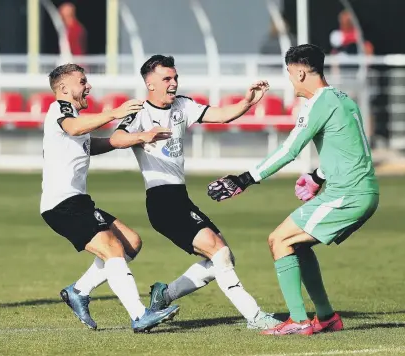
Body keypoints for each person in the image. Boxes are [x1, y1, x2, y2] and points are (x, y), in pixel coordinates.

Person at [207, 44, 379, 335]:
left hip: (348, 194)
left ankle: (299, 321)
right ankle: (325, 317)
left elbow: (289, 150)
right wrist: (318, 175)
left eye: (289, 72)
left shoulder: (319, 103)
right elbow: (352, 149)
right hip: (358, 190)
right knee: (294, 243)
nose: (289, 79)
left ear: (300, 71)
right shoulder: (342, 99)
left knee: (279, 240)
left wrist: (244, 180)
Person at [109, 55, 281, 330]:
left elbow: (223, 115)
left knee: (223, 258)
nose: (174, 83)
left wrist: (248, 102)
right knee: (219, 254)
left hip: (180, 198)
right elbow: (116, 138)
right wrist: (143, 136)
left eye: (175, 77)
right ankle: (255, 316)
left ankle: (164, 295)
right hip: (161, 201)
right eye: (167, 79)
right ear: (150, 83)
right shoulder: (139, 112)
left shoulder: (183, 105)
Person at [40, 63, 179, 333]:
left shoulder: (73, 119)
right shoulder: (61, 109)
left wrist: (140, 137)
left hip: (77, 200)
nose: (87, 86)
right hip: (61, 203)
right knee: (113, 250)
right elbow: (74, 128)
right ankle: (139, 315)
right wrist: (114, 113)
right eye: (82, 81)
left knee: (131, 243)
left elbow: (95, 143)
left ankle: (79, 291)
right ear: (65, 88)